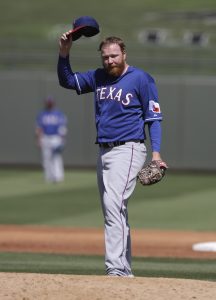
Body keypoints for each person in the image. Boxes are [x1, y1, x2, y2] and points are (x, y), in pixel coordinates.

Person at [57, 33, 167, 277]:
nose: (109, 61)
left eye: (114, 55)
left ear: (124, 54)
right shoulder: (98, 77)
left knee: (113, 205)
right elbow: (67, 81)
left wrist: (156, 154)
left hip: (129, 148)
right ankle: (124, 270)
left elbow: (154, 118)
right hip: (104, 151)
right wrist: (64, 52)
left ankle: (116, 269)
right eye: (105, 57)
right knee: (115, 210)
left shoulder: (141, 79)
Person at [35, 96, 68, 183]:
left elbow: (62, 128)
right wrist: (38, 139)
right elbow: (39, 128)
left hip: (55, 138)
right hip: (45, 137)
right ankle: (48, 177)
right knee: (46, 158)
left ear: (53, 103)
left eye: (50, 102)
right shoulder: (42, 114)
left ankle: (58, 177)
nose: (49, 104)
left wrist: (62, 139)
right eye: (48, 102)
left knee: (56, 157)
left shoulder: (59, 114)